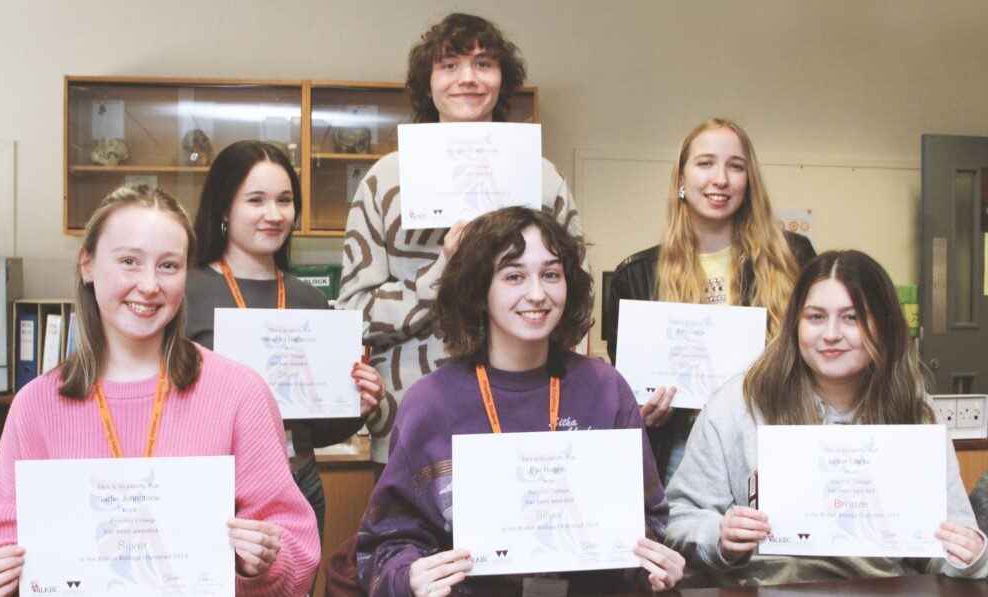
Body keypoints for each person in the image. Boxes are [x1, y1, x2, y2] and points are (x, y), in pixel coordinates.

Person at [0, 186, 319, 596]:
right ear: (87, 264)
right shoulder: (36, 405)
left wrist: (262, 562)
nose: (150, 285)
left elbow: (298, 553)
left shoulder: (240, 394)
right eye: (129, 262)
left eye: (168, 266)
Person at [356, 207, 684, 596]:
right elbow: (384, 543)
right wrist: (408, 577)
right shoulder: (430, 403)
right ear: (479, 290)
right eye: (514, 276)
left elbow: (648, 520)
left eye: (551, 274)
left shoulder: (605, 389)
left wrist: (654, 567)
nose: (537, 294)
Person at [337, 13, 584, 469]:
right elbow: (352, 317)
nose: (467, 78)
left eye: (483, 63)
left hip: (530, 426)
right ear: (427, 84)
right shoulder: (384, 181)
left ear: (502, 81)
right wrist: (441, 273)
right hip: (412, 426)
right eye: (449, 65)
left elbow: (576, 305)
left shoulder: (543, 180)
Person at [664, 250, 988, 585]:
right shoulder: (738, 405)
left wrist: (971, 556)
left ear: (885, 325)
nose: (831, 334)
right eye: (816, 317)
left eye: (852, 318)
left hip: (885, 589)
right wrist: (719, 536)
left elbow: (954, 543)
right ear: (795, 323)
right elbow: (678, 521)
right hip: (768, 588)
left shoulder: (917, 413)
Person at [186, 140, 385, 542]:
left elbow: (317, 428)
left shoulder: (310, 300)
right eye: (255, 200)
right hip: (217, 494)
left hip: (299, 484)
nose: (274, 215)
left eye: (284, 200)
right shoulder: (187, 292)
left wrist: (358, 406)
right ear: (224, 208)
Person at [604, 118, 816, 483]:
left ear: (749, 181)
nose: (720, 179)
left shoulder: (793, 257)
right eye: (705, 163)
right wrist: (643, 412)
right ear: (681, 179)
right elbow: (626, 393)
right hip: (680, 451)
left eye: (736, 166)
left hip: (773, 445)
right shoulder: (636, 275)